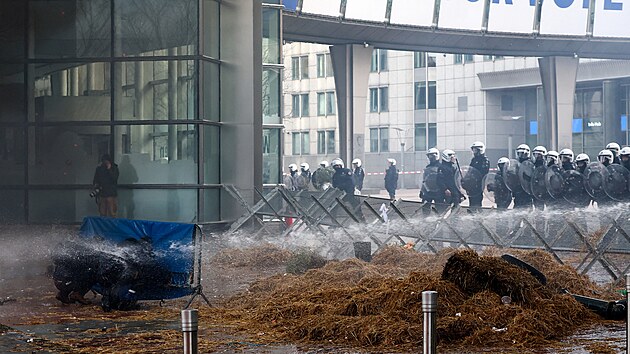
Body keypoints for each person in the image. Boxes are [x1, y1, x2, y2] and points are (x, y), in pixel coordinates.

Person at [420, 148, 445, 215]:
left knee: (439, 210)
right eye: (429, 156)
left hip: (438, 191)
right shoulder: (427, 167)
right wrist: (422, 190)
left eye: (432, 156)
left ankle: (439, 222)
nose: (430, 158)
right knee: (425, 208)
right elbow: (424, 180)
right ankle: (426, 222)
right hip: (428, 191)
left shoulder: (441, 167)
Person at [467, 141, 490, 212]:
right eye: (473, 150)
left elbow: (482, 173)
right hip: (472, 185)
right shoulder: (474, 160)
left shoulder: (484, 160)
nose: (474, 152)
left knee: (477, 203)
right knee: (471, 203)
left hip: (478, 185)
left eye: (475, 150)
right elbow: (470, 170)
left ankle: (479, 219)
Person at [513, 144, 533, 209]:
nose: (521, 156)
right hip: (517, 190)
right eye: (519, 154)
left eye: (522, 154)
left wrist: (525, 177)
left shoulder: (530, 164)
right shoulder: (516, 164)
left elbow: (532, 177)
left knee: (527, 209)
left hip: (527, 191)